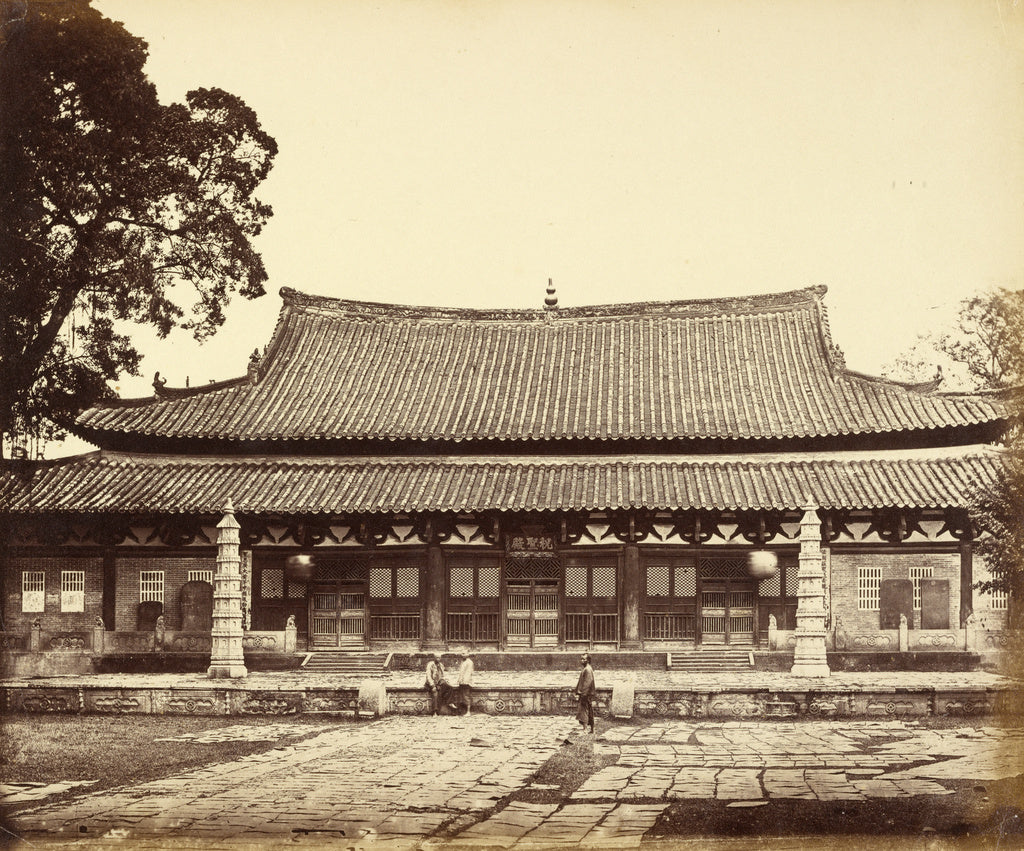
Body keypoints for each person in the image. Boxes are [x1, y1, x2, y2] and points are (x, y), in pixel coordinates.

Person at [575, 653, 596, 734]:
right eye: (581, 659)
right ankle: (592, 729)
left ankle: (585, 729)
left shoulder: (587, 669)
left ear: (588, 660)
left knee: (584, 711)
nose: (582, 661)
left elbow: (587, 683)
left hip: (585, 694)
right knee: (589, 710)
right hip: (586, 693)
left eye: (584, 659)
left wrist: (583, 694)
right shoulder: (587, 669)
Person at [456, 651, 475, 716]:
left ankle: (468, 711)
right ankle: (463, 711)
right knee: (463, 696)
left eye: (463, 654)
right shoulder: (464, 662)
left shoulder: (469, 662)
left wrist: (464, 681)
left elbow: (468, 673)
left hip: (466, 681)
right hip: (463, 681)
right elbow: (462, 672)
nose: (462, 656)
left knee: (466, 696)